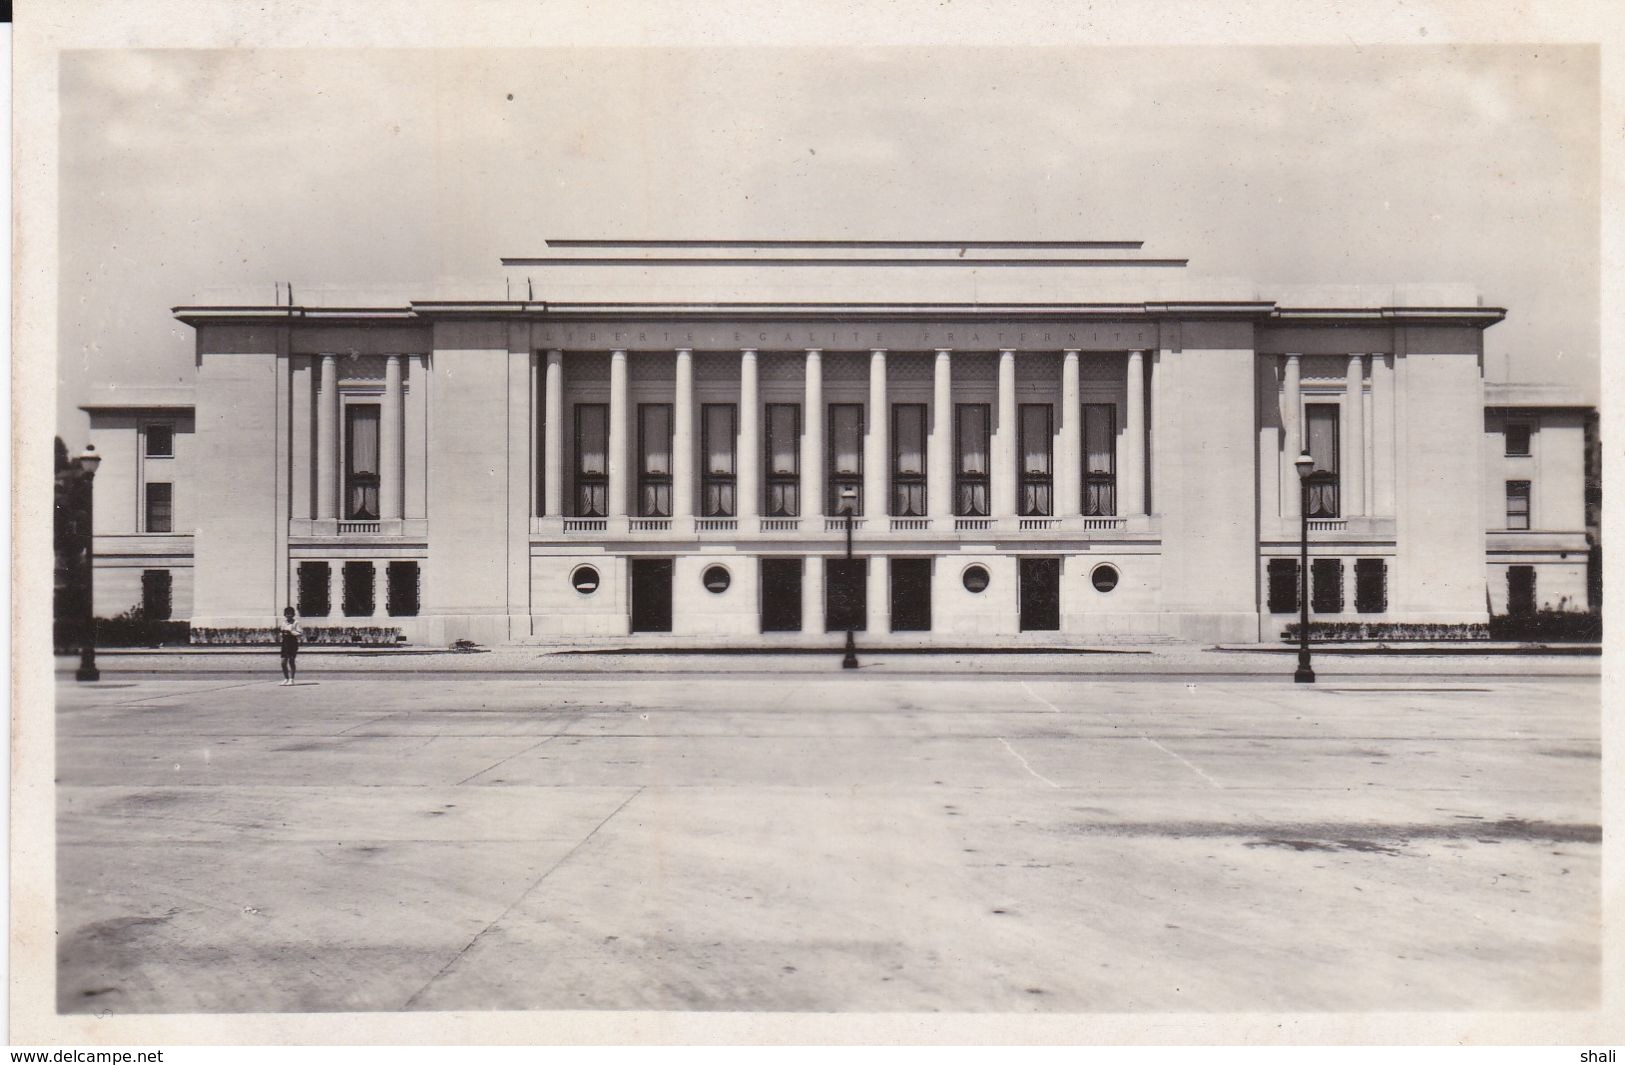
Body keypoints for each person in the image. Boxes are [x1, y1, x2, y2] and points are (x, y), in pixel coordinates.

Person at [278, 607, 302, 686]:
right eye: (287, 614)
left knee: (291, 661)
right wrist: (282, 634)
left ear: (293, 614)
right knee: (283, 662)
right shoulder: (283, 623)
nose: (289, 615)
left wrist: (291, 632)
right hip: (285, 642)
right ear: (285, 614)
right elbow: (281, 631)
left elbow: (300, 633)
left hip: (292, 642)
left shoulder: (295, 623)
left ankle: (291, 679)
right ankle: (286, 678)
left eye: (290, 614)